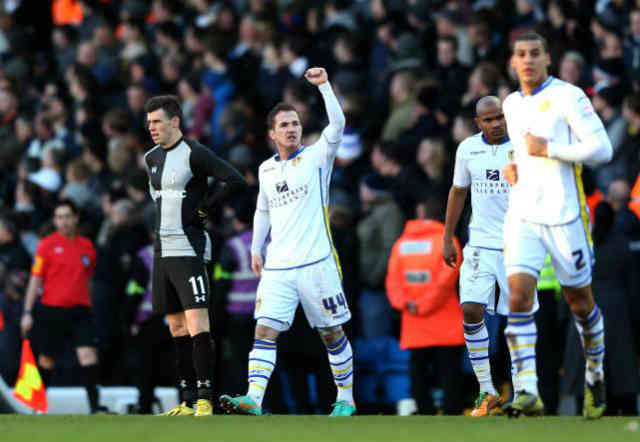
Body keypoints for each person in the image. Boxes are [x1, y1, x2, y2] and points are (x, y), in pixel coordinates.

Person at [218, 67, 355, 417]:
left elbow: (337, 125)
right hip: (278, 265)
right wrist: (255, 248)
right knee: (264, 329)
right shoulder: (265, 170)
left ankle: (346, 398)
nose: (292, 129)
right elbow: (263, 210)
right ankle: (254, 399)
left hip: (316, 263)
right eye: (284, 125)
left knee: (331, 332)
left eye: (295, 123)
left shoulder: (316, 157)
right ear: (272, 134)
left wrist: (324, 86)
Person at [501, 32, 613, 418]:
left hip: (566, 215)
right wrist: (516, 168)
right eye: (521, 55)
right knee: (517, 296)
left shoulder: (568, 96)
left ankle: (595, 374)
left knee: (580, 303)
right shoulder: (511, 104)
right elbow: (523, 150)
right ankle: (527, 389)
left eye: (535, 54)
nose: (528, 60)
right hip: (523, 213)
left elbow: (602, 149)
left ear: (547, 59)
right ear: (513, 63)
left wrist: (550, 150)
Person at [143, 94, 247, 417]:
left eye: (157, 121)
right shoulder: (150, 158)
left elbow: (234, 179)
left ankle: (205, 397)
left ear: (175, 122)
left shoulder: (194, 153)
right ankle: (187, 399)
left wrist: (204, 208)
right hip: (163, 252)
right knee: (175, 327)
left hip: (189, 249)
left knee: (198, 323)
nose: (152, 128)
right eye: (149, 123)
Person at [443, 96, 539, 417]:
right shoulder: (467, 149)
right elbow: (458, 191)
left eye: (500, 117)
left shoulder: (524, 147)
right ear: (478, 123)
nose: (496, 123)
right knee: (470, 309)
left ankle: (524, 389)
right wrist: (447, 237)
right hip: (479, 243)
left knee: (518, 317)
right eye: (489, 119)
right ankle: (486, 390)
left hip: (517, 243)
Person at [20, 199, 104, 413]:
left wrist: (90, 304)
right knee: (47, 359)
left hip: (80, 311)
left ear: (75, 218)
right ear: (55, 220)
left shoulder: (87, 246)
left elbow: (89, 279)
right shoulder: (46, 245)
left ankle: (95, 408)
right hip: (52, 310)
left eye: (67, 216)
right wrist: (28, 312)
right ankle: (37, 407)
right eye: (59, 217)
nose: (63, 221)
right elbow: (35, 280)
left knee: (88, 357)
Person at [386, 195, 465, 415]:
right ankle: (452, 414)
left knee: (418, 371)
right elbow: (446, 280)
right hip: (446, 320)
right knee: (449, 372)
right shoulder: (448, 242)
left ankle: (425, 413)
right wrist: (425, 304)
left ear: (420, 214)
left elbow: (393, 280)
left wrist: (406, 304)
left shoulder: (402, 244)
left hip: (413, 319)